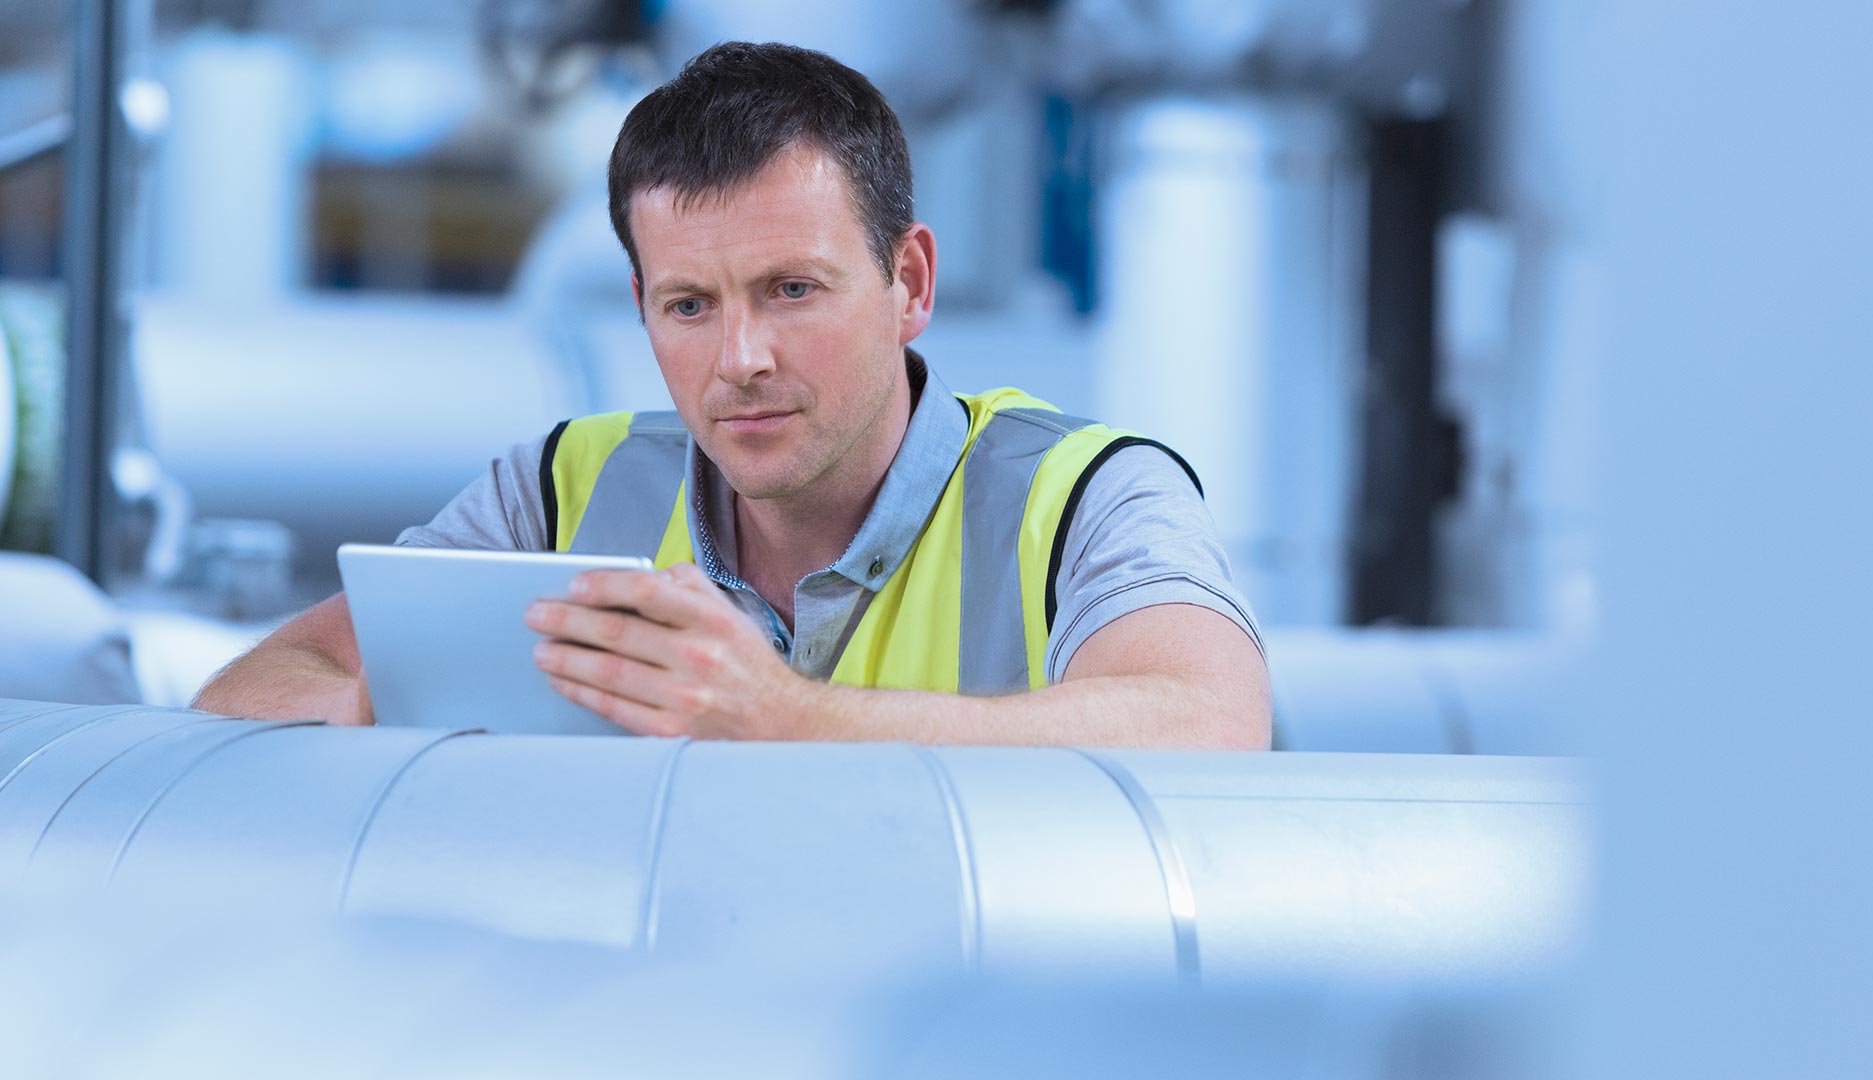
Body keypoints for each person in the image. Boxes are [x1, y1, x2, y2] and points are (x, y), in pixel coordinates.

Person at [194, 41, 1271, 749]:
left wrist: (785, 720)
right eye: (690, 305)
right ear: (639, 303)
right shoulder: (564, 489)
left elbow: (1213, 721)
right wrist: (369, 711)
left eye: (791, 290)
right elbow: (250, 689)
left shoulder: (1083, 497)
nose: (740, 357)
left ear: (911, 284)